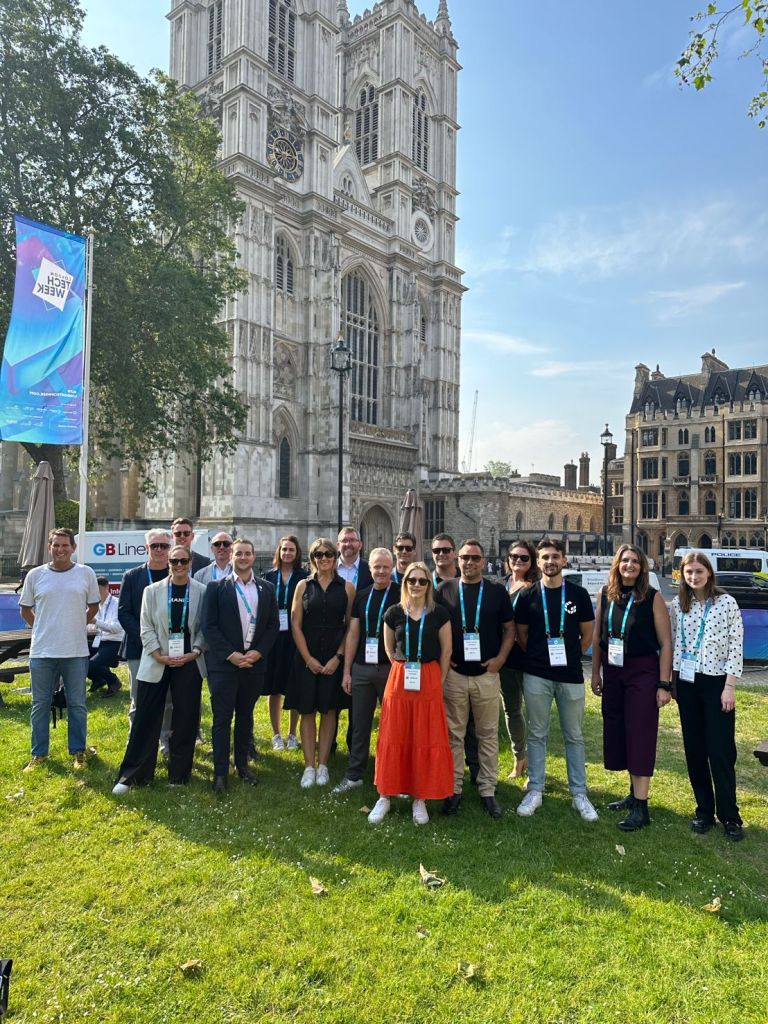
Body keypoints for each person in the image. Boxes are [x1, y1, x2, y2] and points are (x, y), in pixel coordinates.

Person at [514, 537, 598, 821]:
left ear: (564, 559)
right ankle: (535, 789)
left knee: (574, 735)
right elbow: (522, 635)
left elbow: (587, 635)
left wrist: (571, 655)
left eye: (555, 556)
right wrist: (540, 655)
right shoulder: (527, 595)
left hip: (570, 675)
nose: (550, 561)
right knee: (537, 733)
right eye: (545, 557)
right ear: (538, 563)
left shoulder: (578, 594)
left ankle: (579, 793)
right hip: (537, 674)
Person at [590, 545, 673, 831]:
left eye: (635, 561)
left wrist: (664, 684)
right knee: (620, 732)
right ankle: (632, 793)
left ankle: (641, 806)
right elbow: (598, 637)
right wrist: (595, 673)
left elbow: (665, 643)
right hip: (613, 671)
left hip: (642, 672)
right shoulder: (605, 594)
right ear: (617, 564)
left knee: (640, 733)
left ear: (642, 567)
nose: (630, 565)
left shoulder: (652, 597)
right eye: (625, 560)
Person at [112, 546, 207, 793]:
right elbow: (145, 626)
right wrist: (157, 654)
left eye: (183, 560)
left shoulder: (201, 591)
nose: (179, 565)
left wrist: (195, 651)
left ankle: (179, 775)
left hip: (188, 661)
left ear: (191, 562)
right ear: (168, 563)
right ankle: (134, 776)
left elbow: (204, 627)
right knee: (146, 716)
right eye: (174, 561)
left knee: (185, 718)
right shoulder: (152, 591)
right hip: (156, 660)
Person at [368, 561, 454, 824]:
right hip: (401, 677)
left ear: (428, 585)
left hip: (428, 678)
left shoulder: (439, 614)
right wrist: (402, 670)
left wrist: (437, 681)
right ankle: (385, 795)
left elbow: (446, 651)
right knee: (394, 735)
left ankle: (420, 797)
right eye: (411, 580)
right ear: (404, 583)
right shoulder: (393, 612)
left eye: (422, 581)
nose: (416, 585)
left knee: (424, 737)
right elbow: (388, 648)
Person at [435, 538, 515, 819]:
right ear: (458, 560)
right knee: (453, 735)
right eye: (465, 558)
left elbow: (509, 629)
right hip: (455, 676)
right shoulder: (444, 590)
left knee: (487, 735)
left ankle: (488, 790)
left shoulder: (496, 592)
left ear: (483, 561)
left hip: (486, 675)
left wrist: (500, 659)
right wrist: (444, 659)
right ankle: (453, 788)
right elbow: (433, 627)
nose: (469, 562)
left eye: (475, 558)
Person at [670, 552, 745, 841]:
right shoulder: (678, 605)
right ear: (682, 575)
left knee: (720, 751)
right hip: (688, 683)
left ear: (709, 573)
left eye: (698, 571)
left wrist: (730, 686)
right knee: (695, 749)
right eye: (688, 572)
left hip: (717, 684)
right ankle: (704, 810)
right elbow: (674, 644)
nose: (693, 577)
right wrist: (673, 682)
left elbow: (736, 645)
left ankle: (730, 815)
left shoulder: (726, 603)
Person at [202, 539, 280, 793]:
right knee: (222, 718)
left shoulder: (266, 588)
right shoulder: (216, 587)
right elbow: (209, 626)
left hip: (253, 665)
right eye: (239, 553)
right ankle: (220, 772)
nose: (243, 557)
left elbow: (272, 625)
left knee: (245, 716)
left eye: (248, 553)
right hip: (224, 665)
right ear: (232, 556)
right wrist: (230, 654)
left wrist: (259, 652)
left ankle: (242, 765)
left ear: (254, 557)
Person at [19, 528, 100, 771]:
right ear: (49, 547)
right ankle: (39, 754)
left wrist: (75, 625)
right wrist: (42, 628)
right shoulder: (35, 575)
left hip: (75, 651)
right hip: (42, 651)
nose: (60, 549)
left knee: (77, 704)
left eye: (65, 545)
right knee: (40, 704)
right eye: (56, 545)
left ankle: (78, 751)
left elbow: (93, 607)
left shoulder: (86, 573)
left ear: (73, 548)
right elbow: (25, 609)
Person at [285, 538, 355, 788]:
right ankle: (309, 766)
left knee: (329, 710)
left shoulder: (347, 587)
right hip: (307, 655)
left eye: (328, 554)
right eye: (318, 554)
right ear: (312, 558)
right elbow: (295, 624)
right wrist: (308, 658)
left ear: (335, 557)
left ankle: (323, 765)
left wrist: (338, 657)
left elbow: (351, 627)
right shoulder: (303, 586)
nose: (323, 558)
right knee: (307, 710)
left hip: (333, 657)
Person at [333, 548, 401, 794]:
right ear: (369, 568)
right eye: (377, 567)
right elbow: (353, 634)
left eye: (385, 567)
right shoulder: (362, 596)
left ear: (391, 568)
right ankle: (354, 775)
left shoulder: (400, 594)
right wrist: (347, 671)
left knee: (394, 725)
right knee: (359, 724)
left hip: (390, 668)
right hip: (362, 667)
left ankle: (395, 775)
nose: (381, 571)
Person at [117, 529, 172, 750]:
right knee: (138, 699)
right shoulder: (132, 576)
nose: (159, 550)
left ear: (169, 548)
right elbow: (124, 613)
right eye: (154, 546)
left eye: (164, 546)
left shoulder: (176, 574)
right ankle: (136, 743)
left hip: (170, 648)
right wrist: (149, 642)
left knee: (168, 700)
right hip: (139, 648)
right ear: (147, 548)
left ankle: (165, 742)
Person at [262, 535, 308, 750]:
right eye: (284, 549)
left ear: (297, 553)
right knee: (274, 687)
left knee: (294, 686)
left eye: (291, 550)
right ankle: (276, 734)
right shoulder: (268, 577)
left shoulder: (304, 578)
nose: (287, 553)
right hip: (273, 638)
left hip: (295, 637)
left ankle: (292, 734)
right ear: (278, 552)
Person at [501, 541, 540, 779]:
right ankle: (519, 757)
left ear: (532, 562)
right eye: (514, 556)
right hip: (505, 658)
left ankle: (535, 765)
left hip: (529, 657)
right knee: (511, 710)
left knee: (535, 714)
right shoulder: (499, 586)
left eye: (524, 558)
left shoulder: (536, 589)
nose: (518, 561)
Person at [87, 576, 125, 697]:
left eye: (98, 590)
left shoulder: (117, 604)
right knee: (78, 655)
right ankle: (99, 680)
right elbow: (90, 627)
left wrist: (95, 622)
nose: (95, 593)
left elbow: (116, 628)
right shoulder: (95, 606)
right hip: (100, 640)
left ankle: (114, 682)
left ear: (107, 588)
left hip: (115, 643)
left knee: (91, 665)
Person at [335, 526, 373, 591]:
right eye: (344, 540)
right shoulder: (330, 568)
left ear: (360, 545)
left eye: (352, 540)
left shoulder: (370, 569)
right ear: (338, 545)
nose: (348, 544)